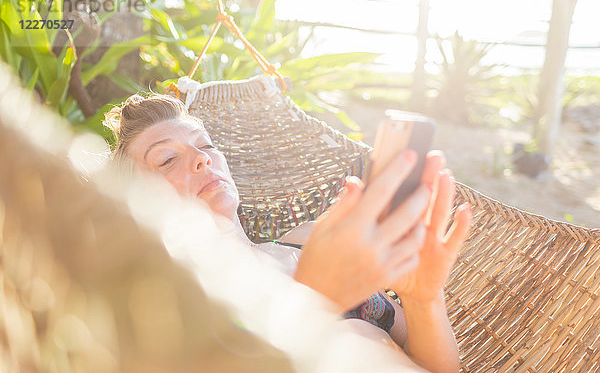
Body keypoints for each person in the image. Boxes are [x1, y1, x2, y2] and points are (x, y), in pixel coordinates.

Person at [104, 93, 473, 373]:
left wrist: (424, 298)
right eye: (167, 160)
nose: (202, 159)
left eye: (206, 145)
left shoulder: (311, 240)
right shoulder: (170, 306)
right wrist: (317, 298)